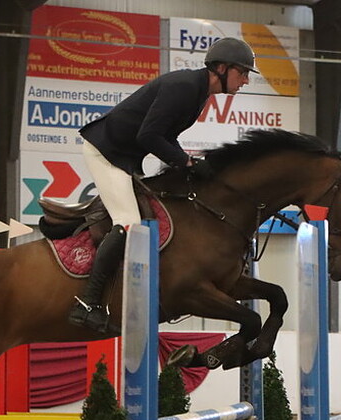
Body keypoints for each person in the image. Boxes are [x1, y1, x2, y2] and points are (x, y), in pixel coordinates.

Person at [69, 37, 258, 333]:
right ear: (221, 68)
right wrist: (184, 162)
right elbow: (149, 135)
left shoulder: (198, 93)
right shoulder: (184, 87)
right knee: (129, 222)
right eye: (243, 72)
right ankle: (88, 303)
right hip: (105, 151)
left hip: (127, 156)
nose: (245, 80)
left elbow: (165, 137)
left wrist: (188, 161)